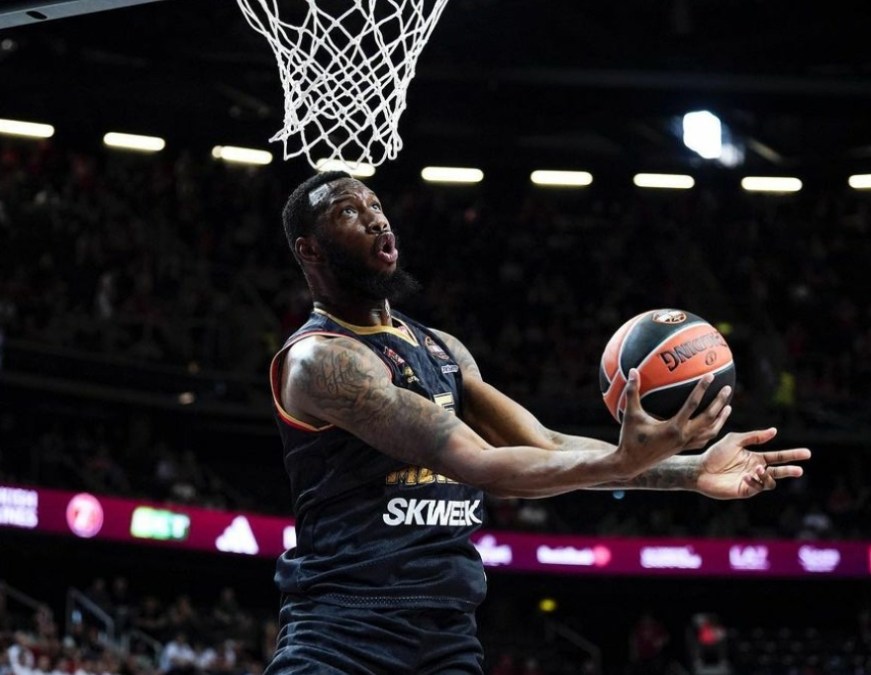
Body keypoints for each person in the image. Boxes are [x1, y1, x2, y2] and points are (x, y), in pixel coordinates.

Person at [265, 171, 811, 674]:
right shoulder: (322, 360)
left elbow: (544, 444)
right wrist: (622, 459)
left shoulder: (441, 348)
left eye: (375, 204)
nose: (375, 218)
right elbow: (480, 464)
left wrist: (689, 470)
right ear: (309, 250)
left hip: (447, 637)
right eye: (348, 211)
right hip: (342, 636)